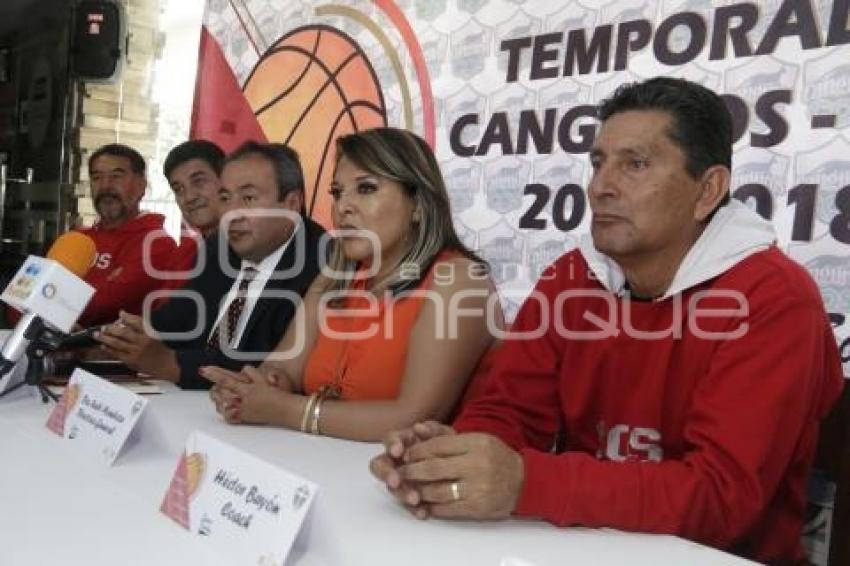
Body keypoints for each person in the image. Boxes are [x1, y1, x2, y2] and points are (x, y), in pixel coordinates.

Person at [369, 78, 845, 564]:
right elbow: (507, 410)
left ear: (708, 190)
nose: (600, 187)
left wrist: (525, 482)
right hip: (581, 546)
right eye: (598, 163)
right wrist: (455, 459)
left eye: (634, 164)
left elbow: (720, 499)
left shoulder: (775, 298)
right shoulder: (571, 277)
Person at [203, 127, 501, 442]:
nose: (342, 207)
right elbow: (286, 367)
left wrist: (285, 409)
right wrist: (252, 388)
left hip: (407, 480)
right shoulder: (336, 275)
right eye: (337, 192)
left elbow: (414, 417)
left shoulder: (460, 280)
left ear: (418, 203)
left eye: (366, 188)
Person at [95, 141, 325, 388]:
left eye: (248, 198)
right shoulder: (220, 246)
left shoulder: (322, 263)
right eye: (225, 198)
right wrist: (110, 339)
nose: (232, 213)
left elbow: (268, 365)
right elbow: (179, 316)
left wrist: (171, 364)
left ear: (291, 204)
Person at [77, 143, 191, 327]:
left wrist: (50, 302)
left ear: (142, 185)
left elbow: (103, 305)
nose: (105, 186)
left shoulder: (156, 244)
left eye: (116, 176)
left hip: (112, 354)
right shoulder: (77, 239)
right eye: (97, 177)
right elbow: (20, 302)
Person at [163, 139, 226, 238]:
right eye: (178, 189)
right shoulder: (193, 251)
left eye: (198, 181)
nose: (189, 197)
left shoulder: (253, 247)